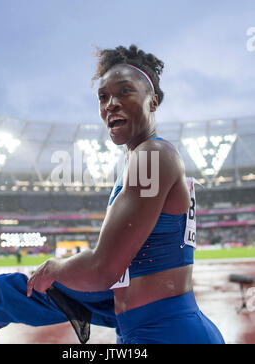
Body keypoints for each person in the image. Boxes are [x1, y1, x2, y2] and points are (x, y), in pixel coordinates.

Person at [26, 45, 225, 344]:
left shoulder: (153, 156)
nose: (111, 104)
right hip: (151, 330)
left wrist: (54, 268)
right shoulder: (143, 161)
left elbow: (102, 269)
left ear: (153, 101)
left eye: (125, 91)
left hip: (167, 333)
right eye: (103, 96)